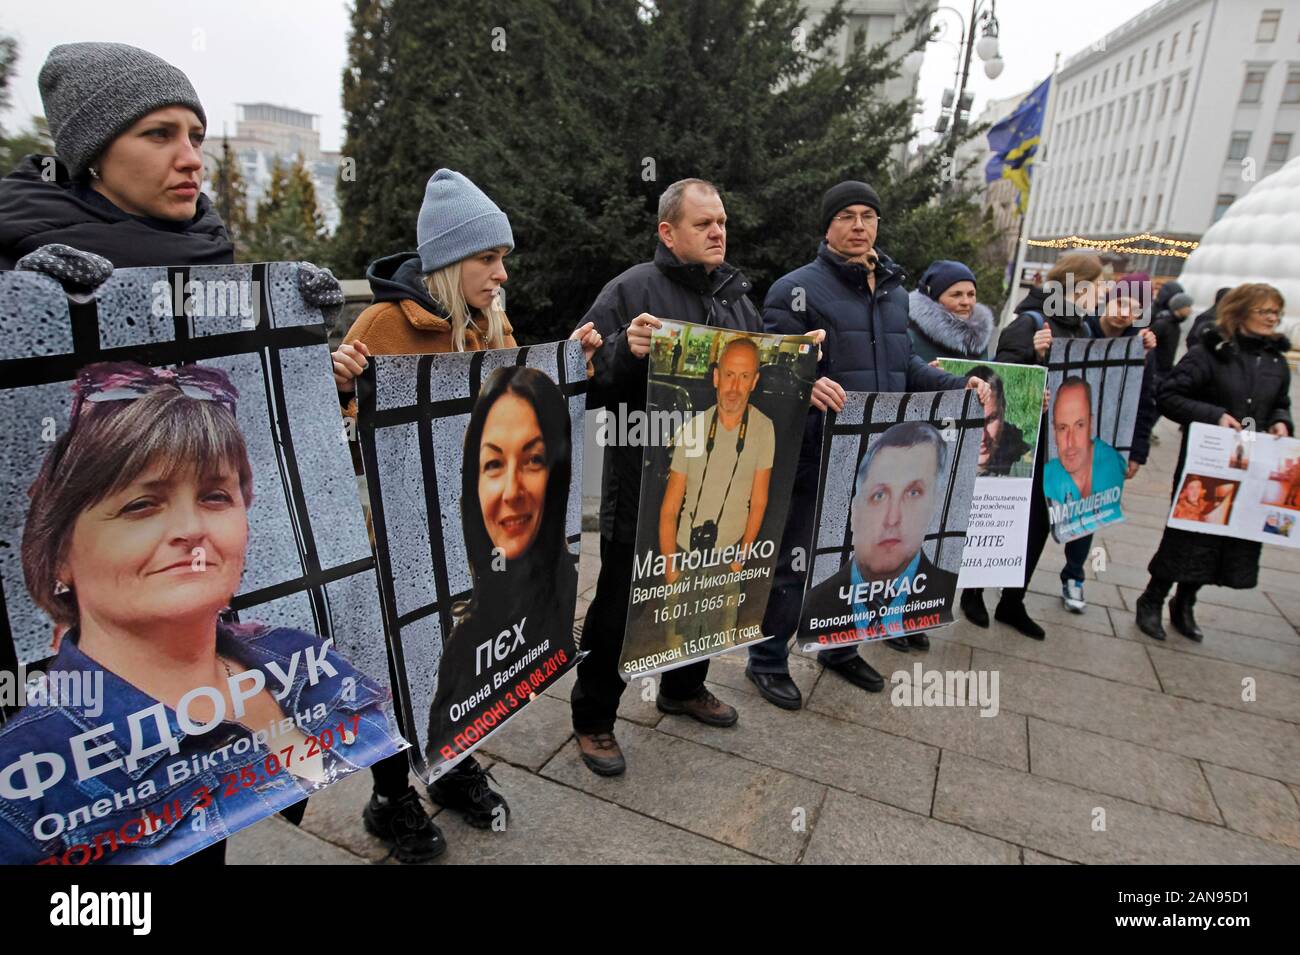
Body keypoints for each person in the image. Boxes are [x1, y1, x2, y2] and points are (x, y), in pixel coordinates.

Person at [0, 41, 343, 867]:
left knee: (194, 837)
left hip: (194, 667)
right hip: (55, 691)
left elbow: (236, 428)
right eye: (159, 134)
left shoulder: (206, 259)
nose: (191, 157)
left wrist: (298, 349)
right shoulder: (20, 255)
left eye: (194, 132)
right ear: (90, 155)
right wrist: (26, 316)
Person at [0, 362, 401, 865]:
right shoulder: (23, 780)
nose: (192, 529)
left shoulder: (301, 653)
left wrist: (317, 381)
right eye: (142, 505)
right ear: (58, 554)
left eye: (215, 496)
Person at [332, 168, 600, 859]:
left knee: (460, 658)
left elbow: (517, 401)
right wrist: (334, 387)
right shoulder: (381, 325)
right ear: (451, 261)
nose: (501, 272)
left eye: (503, 257)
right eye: (488, 258)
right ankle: (391, 796)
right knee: (399, 667)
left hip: (472, 536)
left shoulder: (491, 322)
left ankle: (450, 765)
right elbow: (335, 448)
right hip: (400, 539)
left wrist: (574, 366)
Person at [747, 179, 988, 707]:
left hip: (879, 455)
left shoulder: (894, 291)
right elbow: (770, 371)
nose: (859, 225)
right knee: (797, 561)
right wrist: (804, 383)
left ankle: (840, 646)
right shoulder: (794, 289)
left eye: (869, 216)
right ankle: (766, 659)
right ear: (827, 226)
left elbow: (904, 366)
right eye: (847, 216)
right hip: (816, 452)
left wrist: (958, 384)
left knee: (859, 555)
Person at [574, 178, 757, 776]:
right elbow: (586, 379)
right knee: (620, 603)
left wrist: (801, 365)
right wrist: (627, 349)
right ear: (667, 231)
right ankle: (595, 719)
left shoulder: (734, 295)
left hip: (717, 484)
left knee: (700, 587)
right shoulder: (630, 290)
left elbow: (760, 376)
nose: (717, 232)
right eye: (704, 224)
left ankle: (683, 687)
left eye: (722, 222)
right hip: (645, 482)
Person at [426, 366, 579, 772]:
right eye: (493, 464)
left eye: (533, 459)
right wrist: (341, 392)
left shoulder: (562, 583)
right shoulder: (444, 629)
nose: (512, 491)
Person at [1136, 283, 1292, 642]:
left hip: (1252, 464)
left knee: (1228, 537)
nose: (1272, 318)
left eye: (1276, 312)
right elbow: (1169, 394)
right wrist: (1214, 415)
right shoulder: (1208, 353)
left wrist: (1282, 420)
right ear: (1239, 312)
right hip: (1209, 464)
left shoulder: (1274, 360)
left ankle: (1186, 602)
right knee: (1189, 534)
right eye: (1264, 311)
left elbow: (1280, 401)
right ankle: (1152, 598)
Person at [978, 252, 1105, 640]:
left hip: (1059, 447)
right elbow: (1002, 378)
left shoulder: (1082, 329)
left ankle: (1012, 601)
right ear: (1079, 285)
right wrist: (1036, 361)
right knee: (1001, 519)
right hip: (1025, 446)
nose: (1103, 292)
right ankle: (973, 593)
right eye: (1099, 284)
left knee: (1037, 525)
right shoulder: (1030, 322)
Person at [655, 335, 774, 653]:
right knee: (675, 645)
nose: (735, 387)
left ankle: (693, 691)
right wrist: (671, 568)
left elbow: (759, 500)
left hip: (729, 555)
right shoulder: (693, 428)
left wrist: (741, 558)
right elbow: (670, 507)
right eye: (729, 375)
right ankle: (675, 692)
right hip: (685, 551)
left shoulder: (764, 429)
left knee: (717, 641)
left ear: (755, 381)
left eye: (745, 376)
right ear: (716, 376)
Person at [800, 422, 959, 642]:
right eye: (879, 495)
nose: (892, 518)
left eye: (913, 493)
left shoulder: (940, 590)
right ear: (854, 512)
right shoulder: (817, 601)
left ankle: (864, 643)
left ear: (936, 505)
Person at [1042, 377, 1128, 536]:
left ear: (1091, 423)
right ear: (1054, 430)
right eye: (1062, 428)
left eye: (1079, 425)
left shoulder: (1111, 463)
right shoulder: (1047, 476)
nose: (1070, 441)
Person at [907, 260, 995, 362]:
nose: (966, 302)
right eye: (956, 295)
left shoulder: (980, 339)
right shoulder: (908, 334)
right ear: (933, 299)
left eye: (971, 294)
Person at [967, 366, 1031, 476]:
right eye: (972, 422)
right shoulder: (941, 454)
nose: (982, 437)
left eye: (991, 419)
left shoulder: (1023, 461)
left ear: (1003, 411)